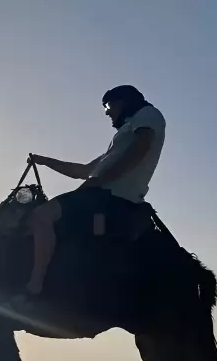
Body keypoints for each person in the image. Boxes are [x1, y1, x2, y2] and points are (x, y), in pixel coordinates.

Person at [10, 85, 166, 309]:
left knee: (41, 215)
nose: (107, 112)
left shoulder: (148, 115)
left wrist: (98, 182)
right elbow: (82, 171)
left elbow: (139, 151)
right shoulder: (120, 139)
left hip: (110, 197)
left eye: (109, 105)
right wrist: (45, 161)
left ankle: (34, 286)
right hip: (101, 192)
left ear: (123, 101)